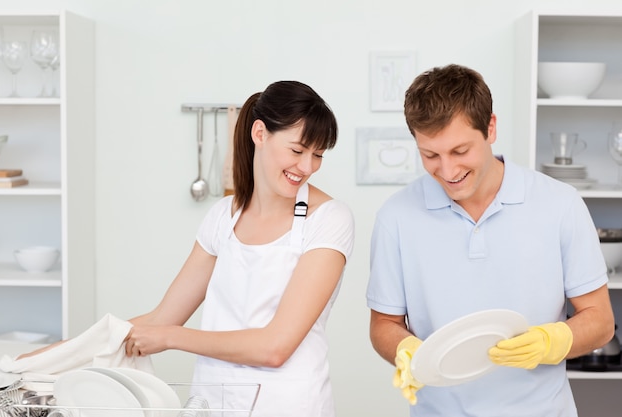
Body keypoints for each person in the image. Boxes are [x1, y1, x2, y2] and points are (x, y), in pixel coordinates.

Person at [366, 64, 614, 416]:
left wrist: (552, 341)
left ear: (491, 128)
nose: (448, 172)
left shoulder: (560, 204)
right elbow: (384, 324)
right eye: (430, 155)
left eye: (460, 151)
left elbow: (600, 319)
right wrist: (407, 352)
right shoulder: (396, 217)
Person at [125, 80, 354, 417]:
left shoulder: (329, 220)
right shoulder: (222, 217)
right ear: (260, 133)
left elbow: (275, 347)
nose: (307, 167)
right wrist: (56, 354)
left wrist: (172, 337)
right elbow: (160, 318)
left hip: (290, 407)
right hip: (213, 404)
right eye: (297, 150)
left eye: (317, 155)